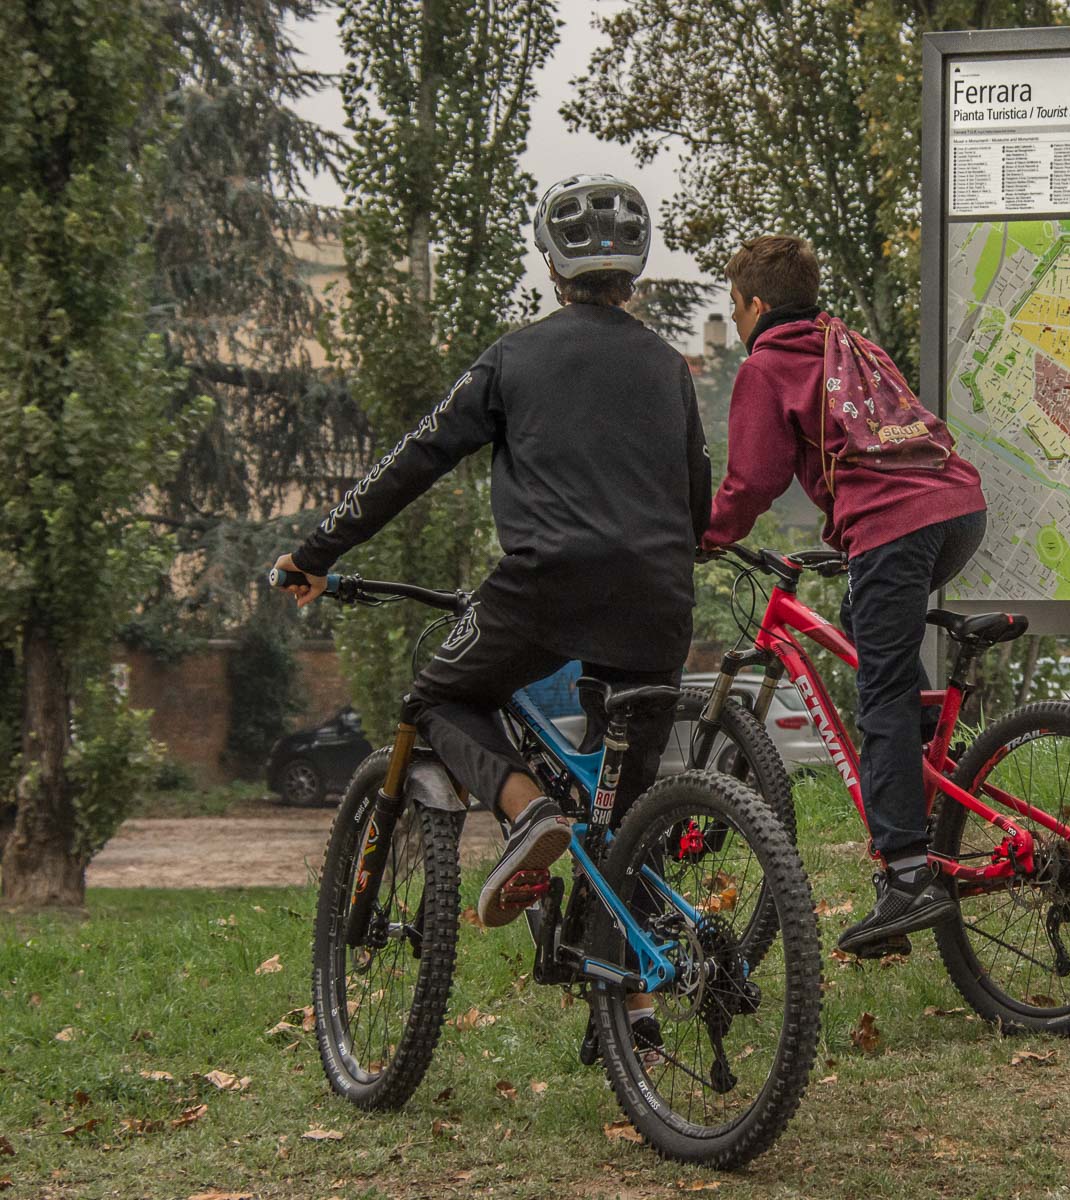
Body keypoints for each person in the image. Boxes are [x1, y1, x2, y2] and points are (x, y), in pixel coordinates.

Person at [275, 174, 709, 943]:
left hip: (548, 585)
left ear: (550, 264)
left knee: (435, 701)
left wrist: (316, 552)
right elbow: (696, 501)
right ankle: (635, 1011)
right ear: (633, 266)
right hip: (660, 596)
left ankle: (525, 808)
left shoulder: (514, 358)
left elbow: (416, 459)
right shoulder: (671, 368)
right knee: (626, 819)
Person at [702, 235, 987, 958]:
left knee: (881, 691)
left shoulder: (768, 365)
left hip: (895, 524)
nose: (735, 324)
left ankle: (905, 875)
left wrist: (705, 535)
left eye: (734, 309)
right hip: (957, 507)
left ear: (758, 306)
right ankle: (922, 767)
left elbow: (753, 479)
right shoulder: (847, 341)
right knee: (866, 627)